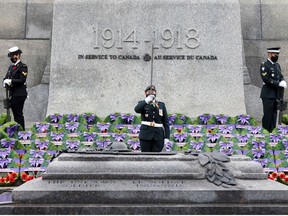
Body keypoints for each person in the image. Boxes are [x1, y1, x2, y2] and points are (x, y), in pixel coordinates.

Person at [134, 85, 170, 152]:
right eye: (149, 91)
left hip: (158, 135)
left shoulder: (161, 105)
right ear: (145, 93)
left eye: (153, 91)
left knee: (157, 157)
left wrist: (167, 137)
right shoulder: (142, 104)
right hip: (145, 134)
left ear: (156, 92)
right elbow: (137, 109)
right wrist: (146, 101)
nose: (151, 92)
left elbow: (166, 122)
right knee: (145, 156)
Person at [260, 47, 286, 132]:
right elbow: (266, 79)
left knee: (274, 114)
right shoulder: (264, 65)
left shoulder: (277, 65)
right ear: (270, 53)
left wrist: (283, 81)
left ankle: (273, 132)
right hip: (268, 94)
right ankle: (265, 132)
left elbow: (280, 76)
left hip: (276, 94)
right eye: (275, 54)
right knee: (268, 115)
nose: (277, 56)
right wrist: (278, 83)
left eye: (278, 54)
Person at [3, 46, 28, 130]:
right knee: (15, 114)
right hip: (12, 94)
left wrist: (11, 81)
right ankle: (17, 130)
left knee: (18, 113)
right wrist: (4, 82)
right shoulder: (10, 67)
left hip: (20, 94)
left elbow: (22, 80)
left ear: (19, 55)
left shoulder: (23, 67)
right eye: (12, 55)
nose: (14, 57)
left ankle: (22, 131)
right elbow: (6, 77)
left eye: (15, 55)